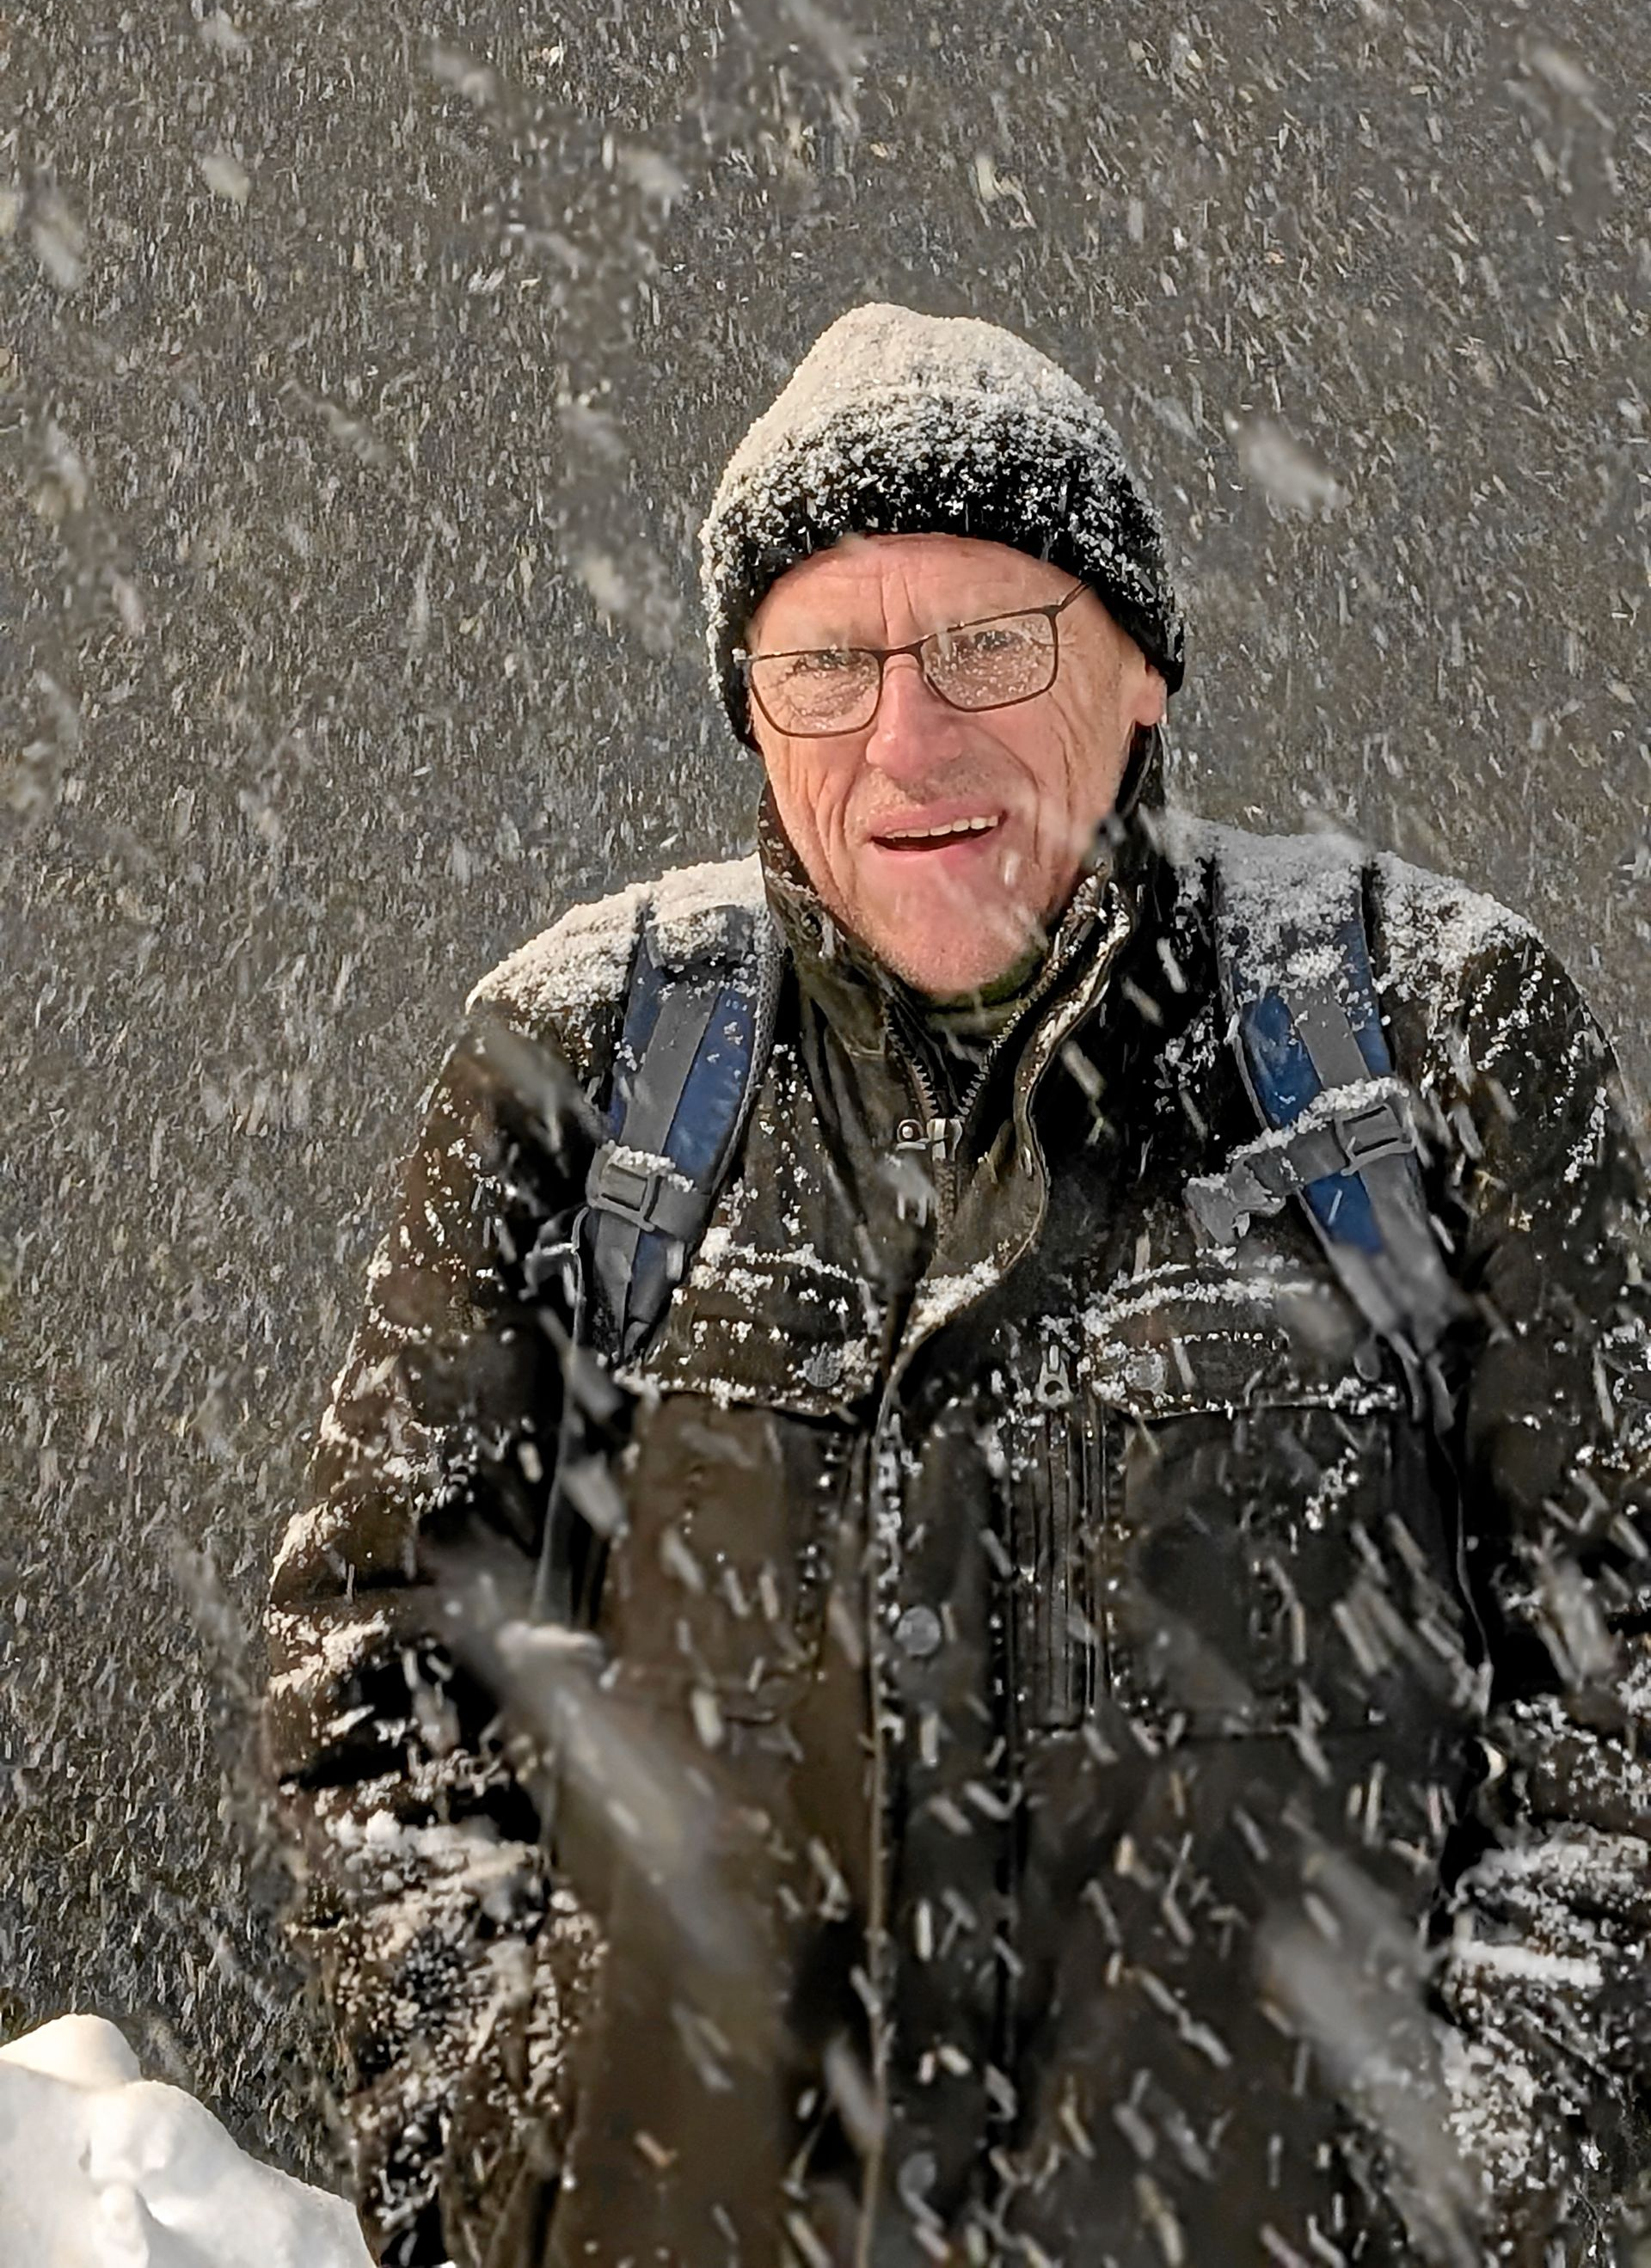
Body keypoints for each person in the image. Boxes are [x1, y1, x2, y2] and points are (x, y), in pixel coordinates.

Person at [267, 303, 1651, 2268]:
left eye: (988, 643)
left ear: (1140, 668)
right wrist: (509, 2145)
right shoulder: (585, 1060)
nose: (906, 738)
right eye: (827, 660)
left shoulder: (1420, 1035)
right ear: (752, 708)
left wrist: (1492, 2182)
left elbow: (1623, 1665)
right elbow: (378, 1657)